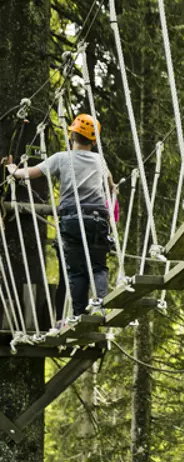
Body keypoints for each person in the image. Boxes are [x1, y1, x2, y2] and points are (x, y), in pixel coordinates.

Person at [6, 114, 115, 323]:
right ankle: (100, 303)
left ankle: (78, 314)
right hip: (97, 218)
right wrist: (111, 188)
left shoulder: (61, 158)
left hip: (72, 219)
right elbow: (109, 182)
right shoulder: (99, 160)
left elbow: (32, 172)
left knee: (76, 271)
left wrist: (14, 170)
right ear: (94, 141)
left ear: (71, 134)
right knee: (98, 266)